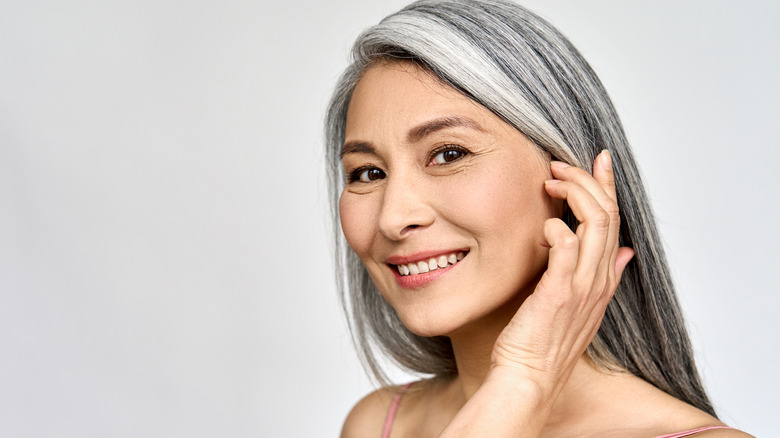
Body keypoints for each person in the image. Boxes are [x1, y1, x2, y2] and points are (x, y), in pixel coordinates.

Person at [325, 1, 753, 436]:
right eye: (368, 173)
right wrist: (520, 383)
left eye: (449, 154)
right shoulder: (378, 424)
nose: (393, 218)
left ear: (570, 176)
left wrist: (526, 373)